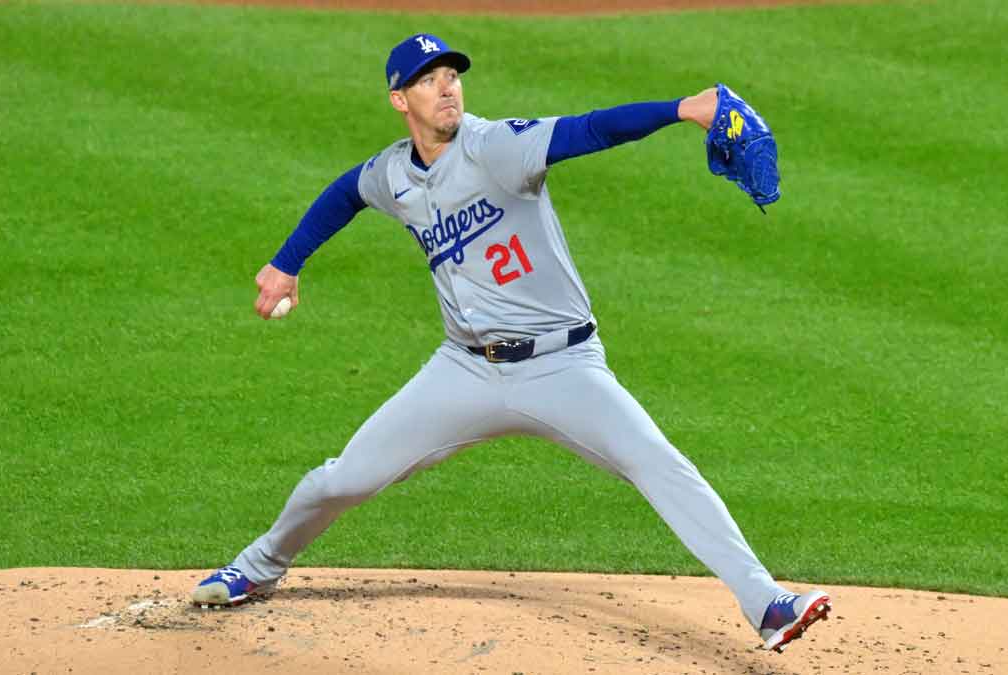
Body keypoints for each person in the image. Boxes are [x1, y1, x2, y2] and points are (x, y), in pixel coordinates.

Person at [192, 33, 830, 653]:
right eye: (428, 80)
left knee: (656, 462)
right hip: (463, 373)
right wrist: (286, 264)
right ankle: (256, 567)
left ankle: (766, 602)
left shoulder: (496, 145)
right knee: (344, 479)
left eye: (452, 75)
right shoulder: (393, 174)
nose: (446, 88)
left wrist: (686, 109)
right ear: (399, 100)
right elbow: (344, 195)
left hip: (562, 367)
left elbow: (590, 130)